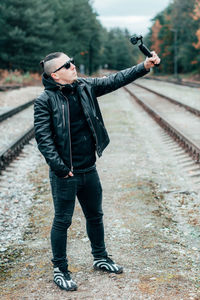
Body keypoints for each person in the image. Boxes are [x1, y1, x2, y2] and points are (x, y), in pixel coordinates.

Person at [34, 51, 160, 291]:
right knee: (62, 221)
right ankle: (60, 269)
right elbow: (44, 139)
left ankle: (100, 257)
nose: (73, 66)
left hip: (88, 168)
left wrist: (144, 66)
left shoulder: (84, 87)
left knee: (95, 216)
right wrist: (61, 169)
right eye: (67, 65)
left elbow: (114, 80)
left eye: (72, 62)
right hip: (66, 174)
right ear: (55, 74)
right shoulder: (45, 101)